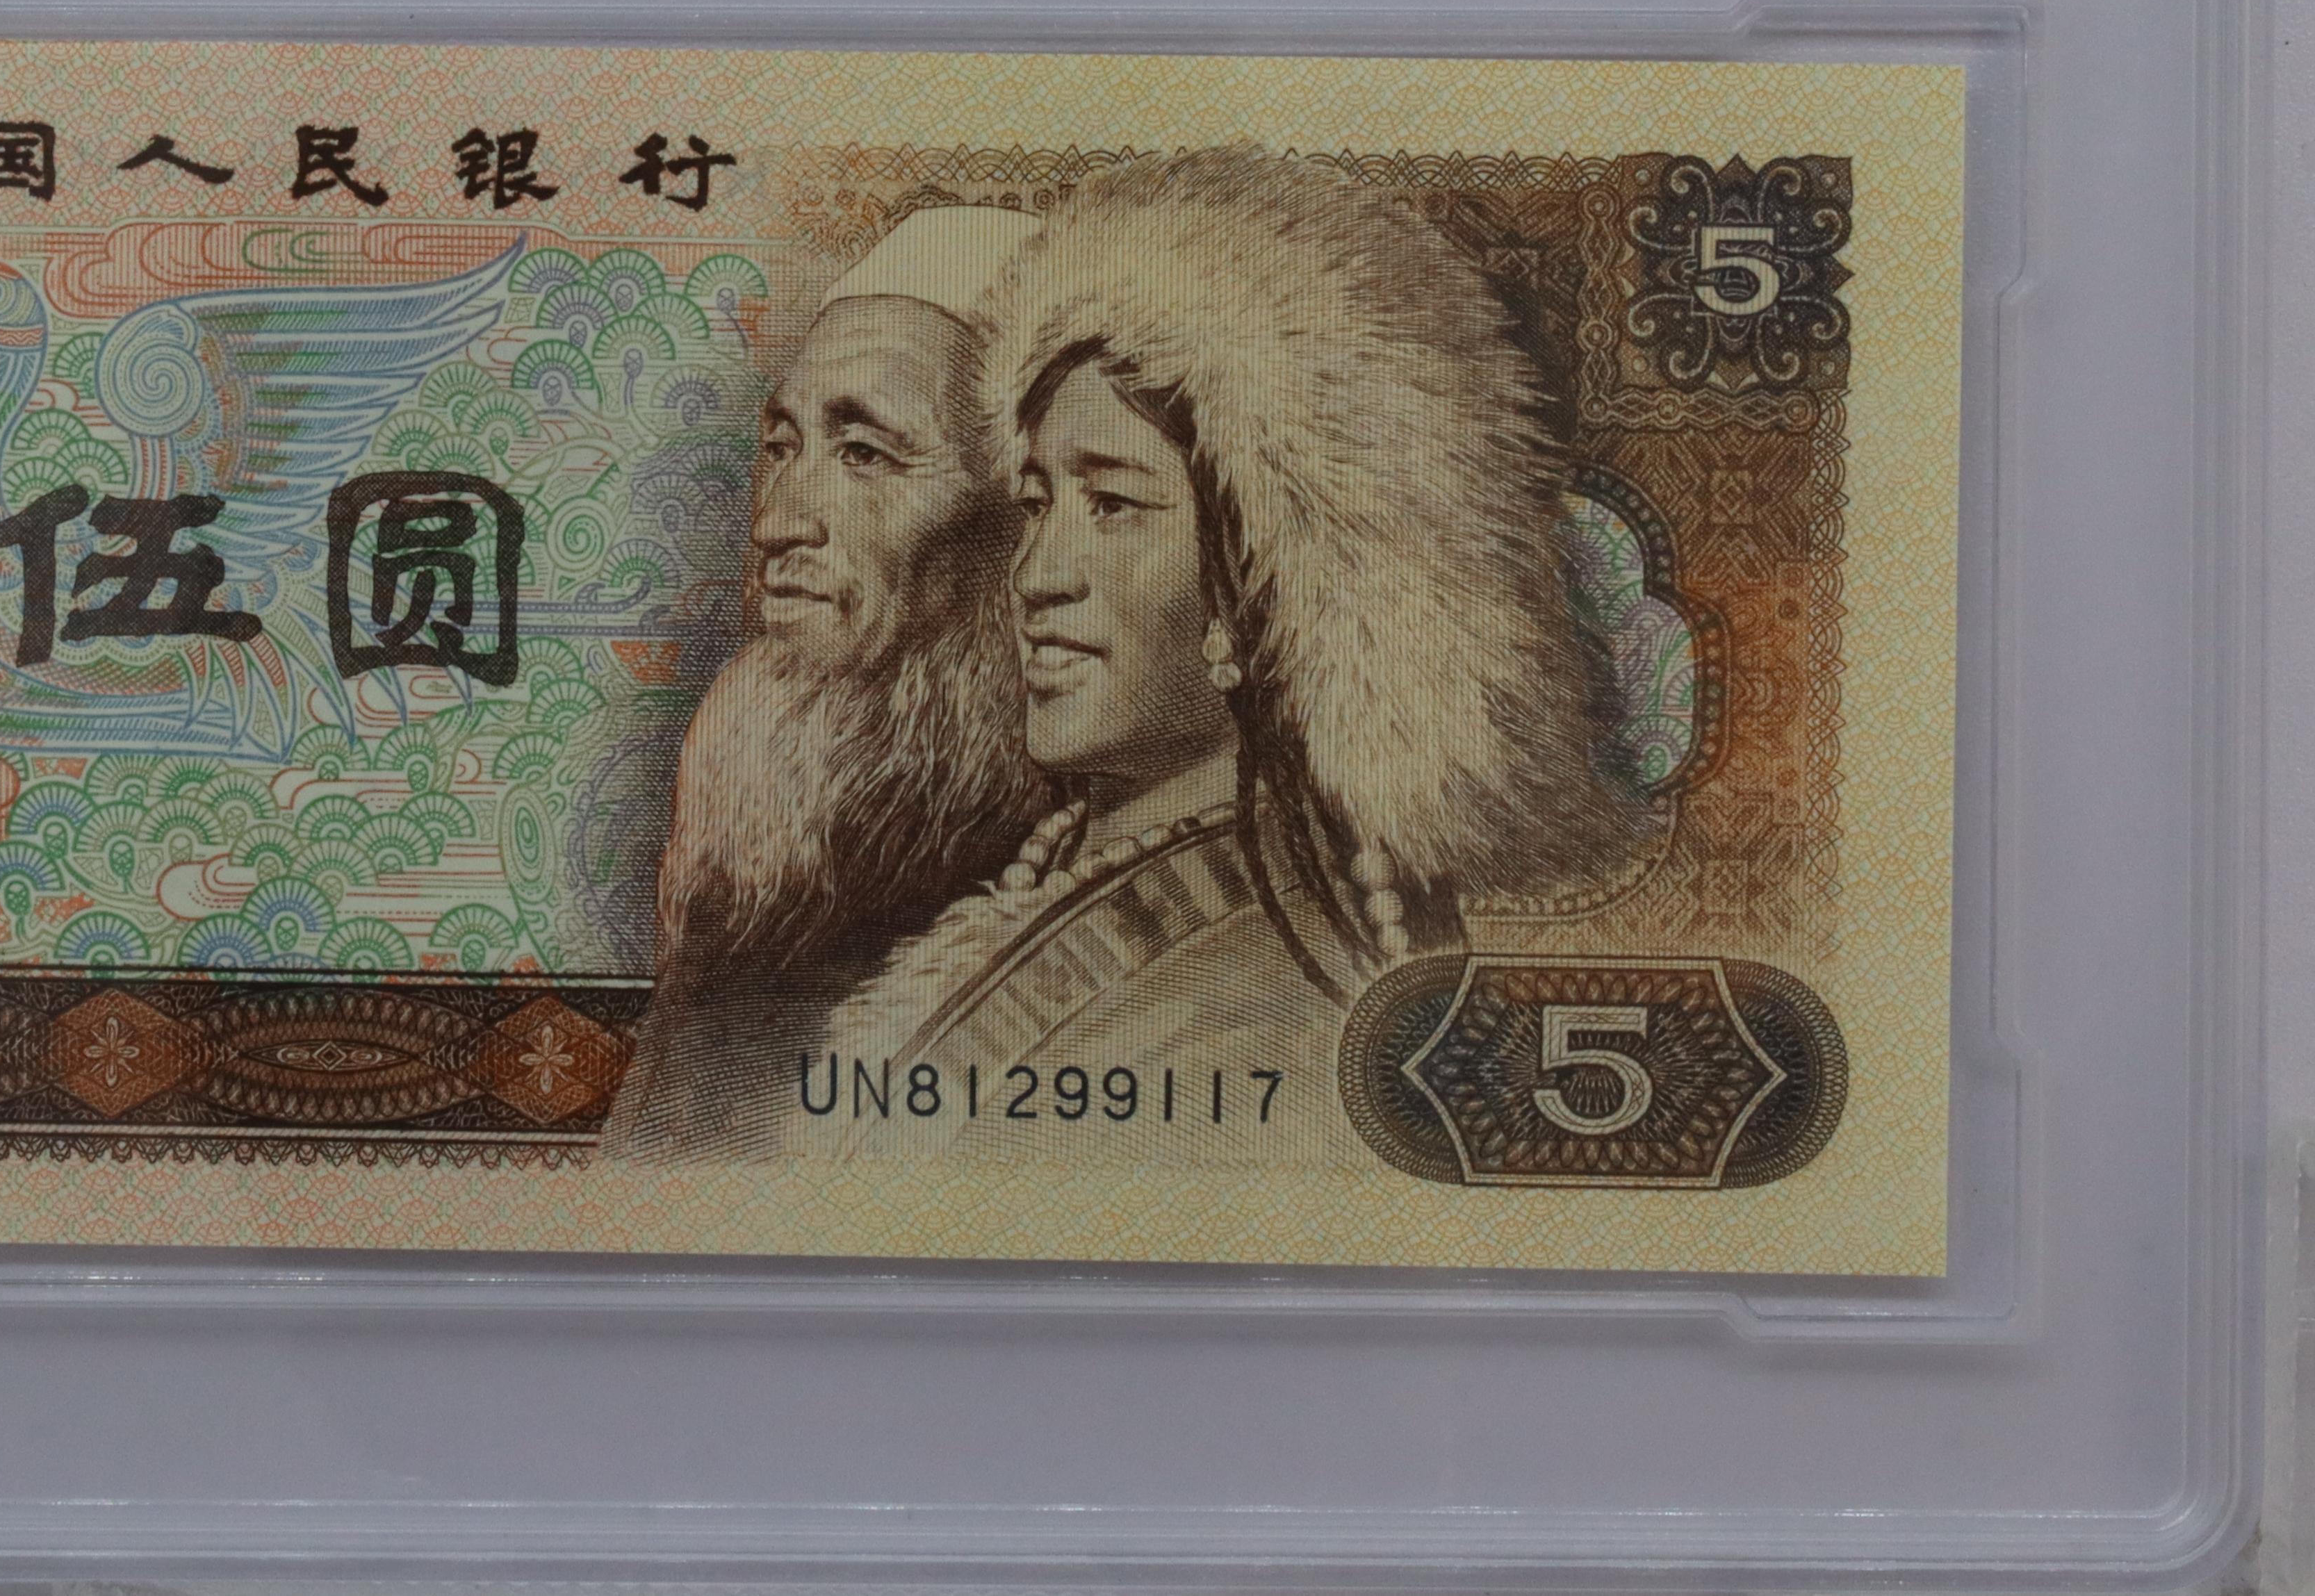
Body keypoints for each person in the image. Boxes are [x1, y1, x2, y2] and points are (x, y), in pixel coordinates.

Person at [815, 149, 1639, 1161]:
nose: (1036, 574)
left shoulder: (1270, 1001)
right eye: (1036, 503)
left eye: (1113, 505)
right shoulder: (1079, 872)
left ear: (1263, 583)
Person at [604, 201, 1047, 1158]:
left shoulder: (1058, 898)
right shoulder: (756, 888)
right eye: (781, 447)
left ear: (1022, 522)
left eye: (864, 454)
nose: (778, 524)